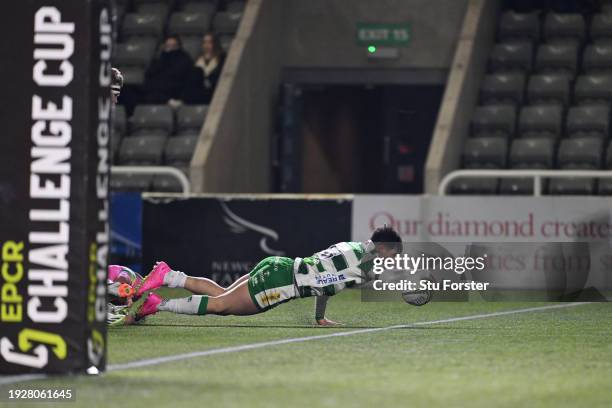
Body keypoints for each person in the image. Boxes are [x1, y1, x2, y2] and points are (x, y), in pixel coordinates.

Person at [122, 226, 402, 324]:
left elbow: (325, 280)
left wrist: (319, 317)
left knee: (221, 295)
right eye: (394, 253)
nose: (393, 258)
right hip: (281, 282)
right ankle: (157, 304)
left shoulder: (349, 246)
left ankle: (170, 276)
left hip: (280, 266)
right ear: (382, 247)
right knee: (221, 307)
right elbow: (381, 281)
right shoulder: (365, 265)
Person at [144, 35, 194, 104]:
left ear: (179, 47)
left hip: (176, 95)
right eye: (168, 46)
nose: (170, 49)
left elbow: (185, 82)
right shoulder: (157, 61)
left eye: (173, 46)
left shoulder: (185, 61)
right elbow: (150, 81)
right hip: (158, 96)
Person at [182, 32, 226, 104]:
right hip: (198, 91)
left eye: (209, 42)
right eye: (204, 43)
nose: (206, 46)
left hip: (213, 91)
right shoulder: (198, 59)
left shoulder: (221, 59)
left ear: (215, 44)